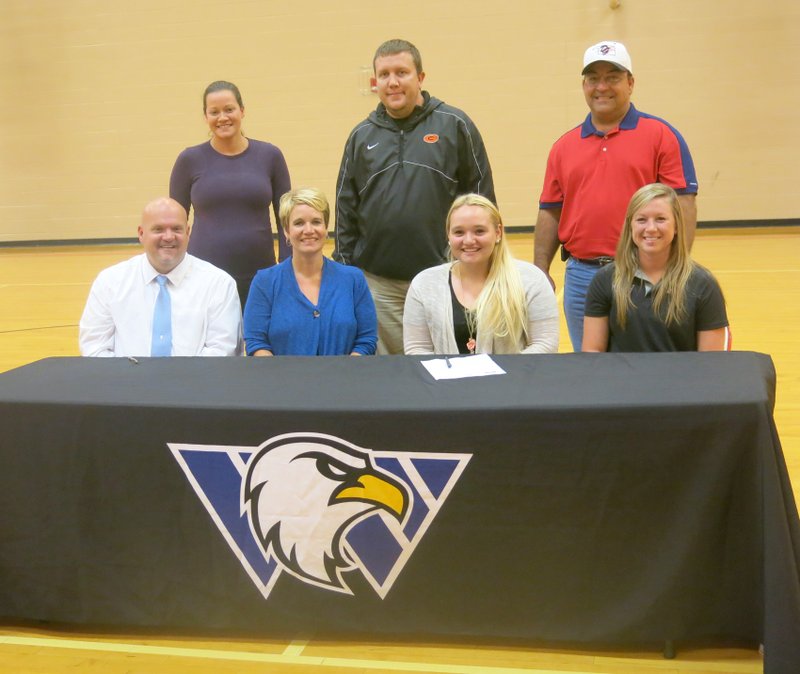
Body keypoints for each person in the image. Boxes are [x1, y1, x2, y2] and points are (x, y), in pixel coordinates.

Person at [533, 40, 698, 351]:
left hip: (644, 272)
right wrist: (540, 269)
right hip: (582, 277)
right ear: (584, 85)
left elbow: (683, 204)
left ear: (630, 83)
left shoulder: (661, 135)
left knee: (644, 360)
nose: (602, 87)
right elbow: (550, 210)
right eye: (593, 78)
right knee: (592, 368)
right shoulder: (563, 146)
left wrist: (678, 267)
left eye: (613, 77)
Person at [334, 39, 495, 355]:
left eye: (401, 72)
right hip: (379, 286)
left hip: (446, 278)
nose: (392, 82)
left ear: (420, 77)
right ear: (375, 82)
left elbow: (482, 200)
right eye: (384, 75)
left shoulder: (454, 125)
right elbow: (345, 208)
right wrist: (345, 272)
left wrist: (483, 266)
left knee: (446, 366)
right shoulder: (360, 136)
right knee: (388, 378)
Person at [169, 80, 291, 308]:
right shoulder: (189, 160)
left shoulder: (270, 156)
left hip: (260, 276)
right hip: (203, 277)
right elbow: (174, 222)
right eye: (214, 112)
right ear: (205, 117)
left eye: (229, 109)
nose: (222, 117)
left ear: (242, 111)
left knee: (260, 343)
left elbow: (286, 217)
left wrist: (286, 266)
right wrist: (173, 269)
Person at [79, 197, 242, 357]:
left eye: (177, 229)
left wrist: (183, 382)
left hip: (196, 382)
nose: (169, 236)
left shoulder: (219, 284)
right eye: (158, 229)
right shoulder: (109, 282)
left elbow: (222, 350)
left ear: (188, 232)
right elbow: (95, 347)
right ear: (141, 234)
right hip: (126, 382)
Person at [404, 194, 559, 355]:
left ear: (498, 233)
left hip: (511, 379)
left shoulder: (532, 280)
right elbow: (417, 348)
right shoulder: (424, 284)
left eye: (479, 231)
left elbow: (545, 344)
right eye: (459, 232)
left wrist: (502, 375)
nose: (469, 240)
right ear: (448, 235)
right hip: (446, 380)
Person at [582, 183, 728, 352]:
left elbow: (710, 363)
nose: (651, 228)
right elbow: (593, 353)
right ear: (630, 226)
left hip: (681, 379)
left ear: (676, 227)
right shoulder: (605, 279)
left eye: (660, 219)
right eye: (641, 220)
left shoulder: (703, 284)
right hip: (623, 379)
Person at [243, 188, 377, 356]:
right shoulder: (264, 282)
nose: (308, 230)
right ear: (286, 230)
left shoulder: (354, 279)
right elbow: (256, 342)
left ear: (325, 227)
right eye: (299, 223)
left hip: (344, 379)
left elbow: (366, 340)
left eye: (316, 222)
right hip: (282, 380)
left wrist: (345, 375)